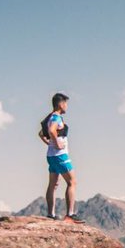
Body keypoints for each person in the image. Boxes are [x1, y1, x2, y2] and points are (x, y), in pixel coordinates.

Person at [40, 93, 84, 222]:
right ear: (60, 104)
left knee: (53, 184)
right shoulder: (56, 118)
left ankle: (51, 215)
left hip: (51, 155)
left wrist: (49, 143)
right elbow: (52, 130)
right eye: (66, 103)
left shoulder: (50, 117)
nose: (67, 106)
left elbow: (41, 133)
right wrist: (57, 143)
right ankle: (70, 215)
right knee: (72, 182)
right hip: (60, 156)